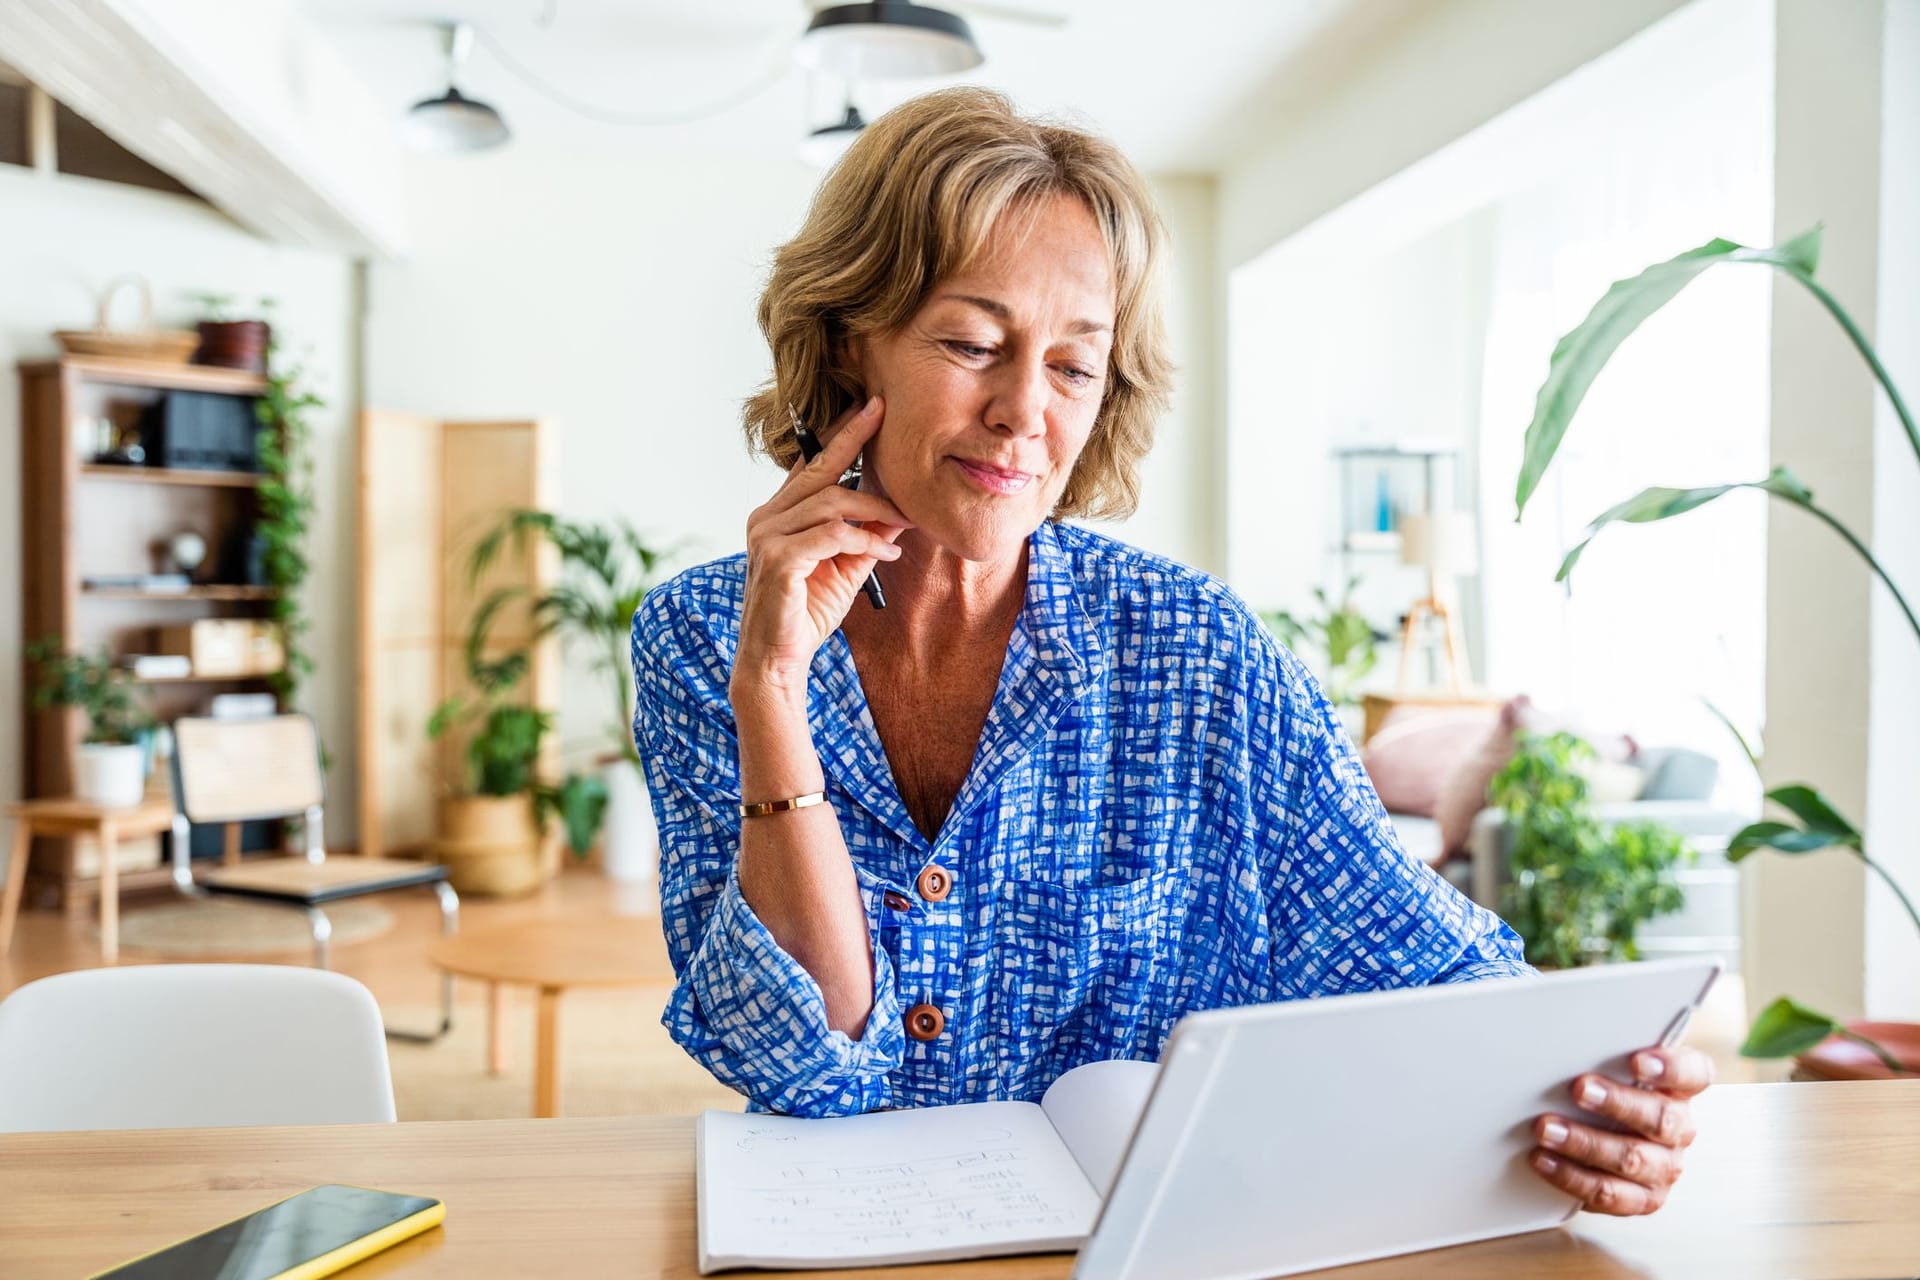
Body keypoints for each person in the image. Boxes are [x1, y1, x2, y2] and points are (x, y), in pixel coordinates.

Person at [633, 87, 1709, 1217]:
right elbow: (804, 1058)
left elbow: (1422, 957)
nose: (1022, 412)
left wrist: (1611, 1093)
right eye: (972, 342)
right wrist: (772, 691)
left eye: (1072, 366)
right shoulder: (705, 639)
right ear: (856, 344)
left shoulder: (1199, 651)